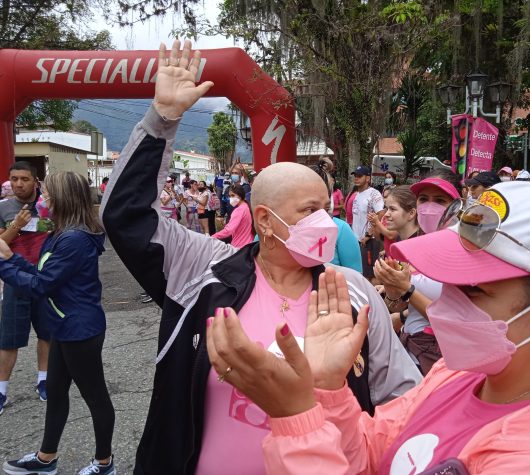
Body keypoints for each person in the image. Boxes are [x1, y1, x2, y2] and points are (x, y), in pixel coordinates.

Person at [99, 40, 421, 474]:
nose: (326, 223)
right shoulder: (203, 269)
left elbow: (403, 398)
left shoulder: (354, 292)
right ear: (265, 220)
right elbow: (125, 215)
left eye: (328, 208)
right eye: (310, 211)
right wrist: (162, 120)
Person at [208, 180, 530, 474]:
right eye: (445, 282)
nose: (445, 305)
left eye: (474, 291)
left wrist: (297, 418)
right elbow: (371, 455)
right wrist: (329, 390)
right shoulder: (456, 375)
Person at [1, 172, 115, 475]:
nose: (42, 200)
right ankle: (46, 458)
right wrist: (10, 257)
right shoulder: (62, 233)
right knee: (55, 389)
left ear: (61, 197)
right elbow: (43, 274)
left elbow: (41, 286)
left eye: (47, 194)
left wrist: (3, 263)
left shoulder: (74, 238)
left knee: (95, 397)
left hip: (80, 329)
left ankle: (105, 463)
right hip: (65, 326)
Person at [375, 175, 461, 374]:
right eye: (423, 199)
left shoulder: (463, 251)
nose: (429, 207)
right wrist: (391, 285)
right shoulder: (411, 249)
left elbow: (452, 317)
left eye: (440, 201)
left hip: (441, 354)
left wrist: (406, 289)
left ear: (455, 206)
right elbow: (397, 304)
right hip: (411, 346)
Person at [0, 162, 50, 415]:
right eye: (14, 179)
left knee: (47, 333)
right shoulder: (4, 208)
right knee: (9, 338)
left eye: (24, 179)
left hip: (44, 277)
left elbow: (56, 231)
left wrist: (40, 222)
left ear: (35, 181)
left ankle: (44, 379)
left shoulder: (48, 205)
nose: (19, 184)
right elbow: (0, 242)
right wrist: (16, 226)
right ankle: (1, 389)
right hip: (15, 279)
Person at [350, 166, 384, 281]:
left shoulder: (374, 194)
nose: (356, 178)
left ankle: (373, 297)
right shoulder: (357, 195)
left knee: (370, 275)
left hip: (369, 240)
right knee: (360, 272)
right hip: (357, 240)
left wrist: (369, 235)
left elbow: (381, 214)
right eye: (355, 176)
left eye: (359, 176)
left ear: (368, 178)